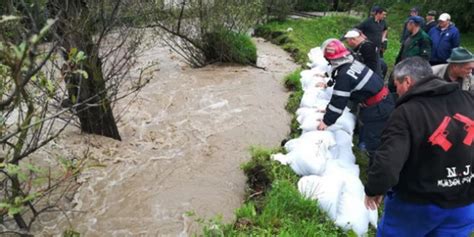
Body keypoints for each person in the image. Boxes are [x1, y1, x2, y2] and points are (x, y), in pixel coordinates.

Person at [364, 56, 474, 236]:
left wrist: (375, 188)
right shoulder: (469, 100)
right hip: (464, 206)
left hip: (417, 205)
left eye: (396, 84)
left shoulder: (407, 112)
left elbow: (388, 162)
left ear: (407, 81)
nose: (396, 91)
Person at [317, 39, 394, 162]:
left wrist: (326, 121)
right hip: (382, 100)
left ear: (331, 59)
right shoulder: (352, 64)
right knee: (372, 135)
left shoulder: (344, 75)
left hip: (377, 107)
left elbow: (338, 102)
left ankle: (376, 171)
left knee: (373, 141)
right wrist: (327, 110)